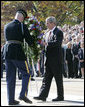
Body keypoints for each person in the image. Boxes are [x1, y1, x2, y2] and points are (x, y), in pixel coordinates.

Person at [4, 9, 34, 105]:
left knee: (10, 77)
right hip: (18, 53)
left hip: (7, 53)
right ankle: (23, 94)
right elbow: (29, 40)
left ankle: (10, 100)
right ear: (21, 17)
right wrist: (34, 44)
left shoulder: (6, 26)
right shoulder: (22, 26)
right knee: (27, 73)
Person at [34, 16, 64, 101]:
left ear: (52, 23)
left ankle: (60, 96)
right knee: (46, 79)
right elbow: (45, 45)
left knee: (58, 79)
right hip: (48, 60)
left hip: (56, 60)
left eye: (47, 23)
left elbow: (57, 43)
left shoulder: (58, 32)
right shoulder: (47, 33)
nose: (46, 25)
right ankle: (42, 95)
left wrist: (46, 43)